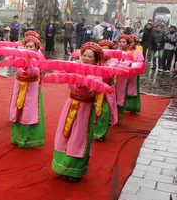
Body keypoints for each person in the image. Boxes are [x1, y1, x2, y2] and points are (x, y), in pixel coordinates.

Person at [52, 42, 104, 182]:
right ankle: (62, 166)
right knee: (65, 133)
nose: (86, 58)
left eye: (90, 56)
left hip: (85, 109)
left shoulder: (97, 74)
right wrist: (66, 69)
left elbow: (94, 91)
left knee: (79, 136)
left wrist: (84, 85)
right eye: (84, 55)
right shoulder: (75, 67)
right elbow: (61, 74)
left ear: (96, 59)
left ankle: (75, 170)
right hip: (71, 103)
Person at [9, 34, 44, 148]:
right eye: (26, 46)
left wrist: (29, 62)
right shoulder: (19, 57)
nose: (28, 49)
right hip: (19, 86)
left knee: (28, 113)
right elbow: (13, 65)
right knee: (17, 111)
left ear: (36, 48)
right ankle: (16, 137)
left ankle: (27, 140)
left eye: (31, 47)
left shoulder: (38, 59)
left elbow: (34, 72)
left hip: (31, 88)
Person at [93, 40, 119, 141]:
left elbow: (110, 70)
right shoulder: (95, 60)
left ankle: (100, 133)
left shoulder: (113, 61)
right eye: (102, 49)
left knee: (105, 110)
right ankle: (92, 131)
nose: (104, 52)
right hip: (95, 89)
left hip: (106, 89)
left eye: (107, 50)